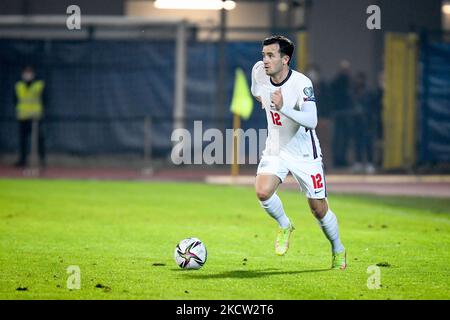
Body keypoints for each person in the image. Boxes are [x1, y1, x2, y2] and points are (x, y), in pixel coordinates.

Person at [251, 36, 346, 270]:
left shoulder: (301, 83)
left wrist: (283, 107)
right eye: (264, 55)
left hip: (304, 152)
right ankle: (285, 224)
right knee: (263, 192)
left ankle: (338, 247)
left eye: (271, 55)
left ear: (285, 59)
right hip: (276, 147)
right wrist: (263, 100)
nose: (265, 60)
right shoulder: (258, 71)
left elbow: (311, 120)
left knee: (318, 209)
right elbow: (256, 91)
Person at [14, 65, 47, 168]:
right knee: (23, 140)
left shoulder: (39, 84)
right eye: (25, 72)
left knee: (39, 139)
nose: (27, 74)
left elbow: (45, 99)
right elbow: (15, 101)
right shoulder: (18, 85)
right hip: (23, 116)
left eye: (29, 72)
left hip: (36, 117)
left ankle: (41, 161)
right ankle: (22, 160)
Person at [329, 60, 353, 168]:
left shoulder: (347, 82)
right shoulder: (338, 82)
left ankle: (341, 160)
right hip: (340, 113)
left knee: (344, 138)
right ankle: (338, 160)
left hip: (345, 113)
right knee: (339, 138)